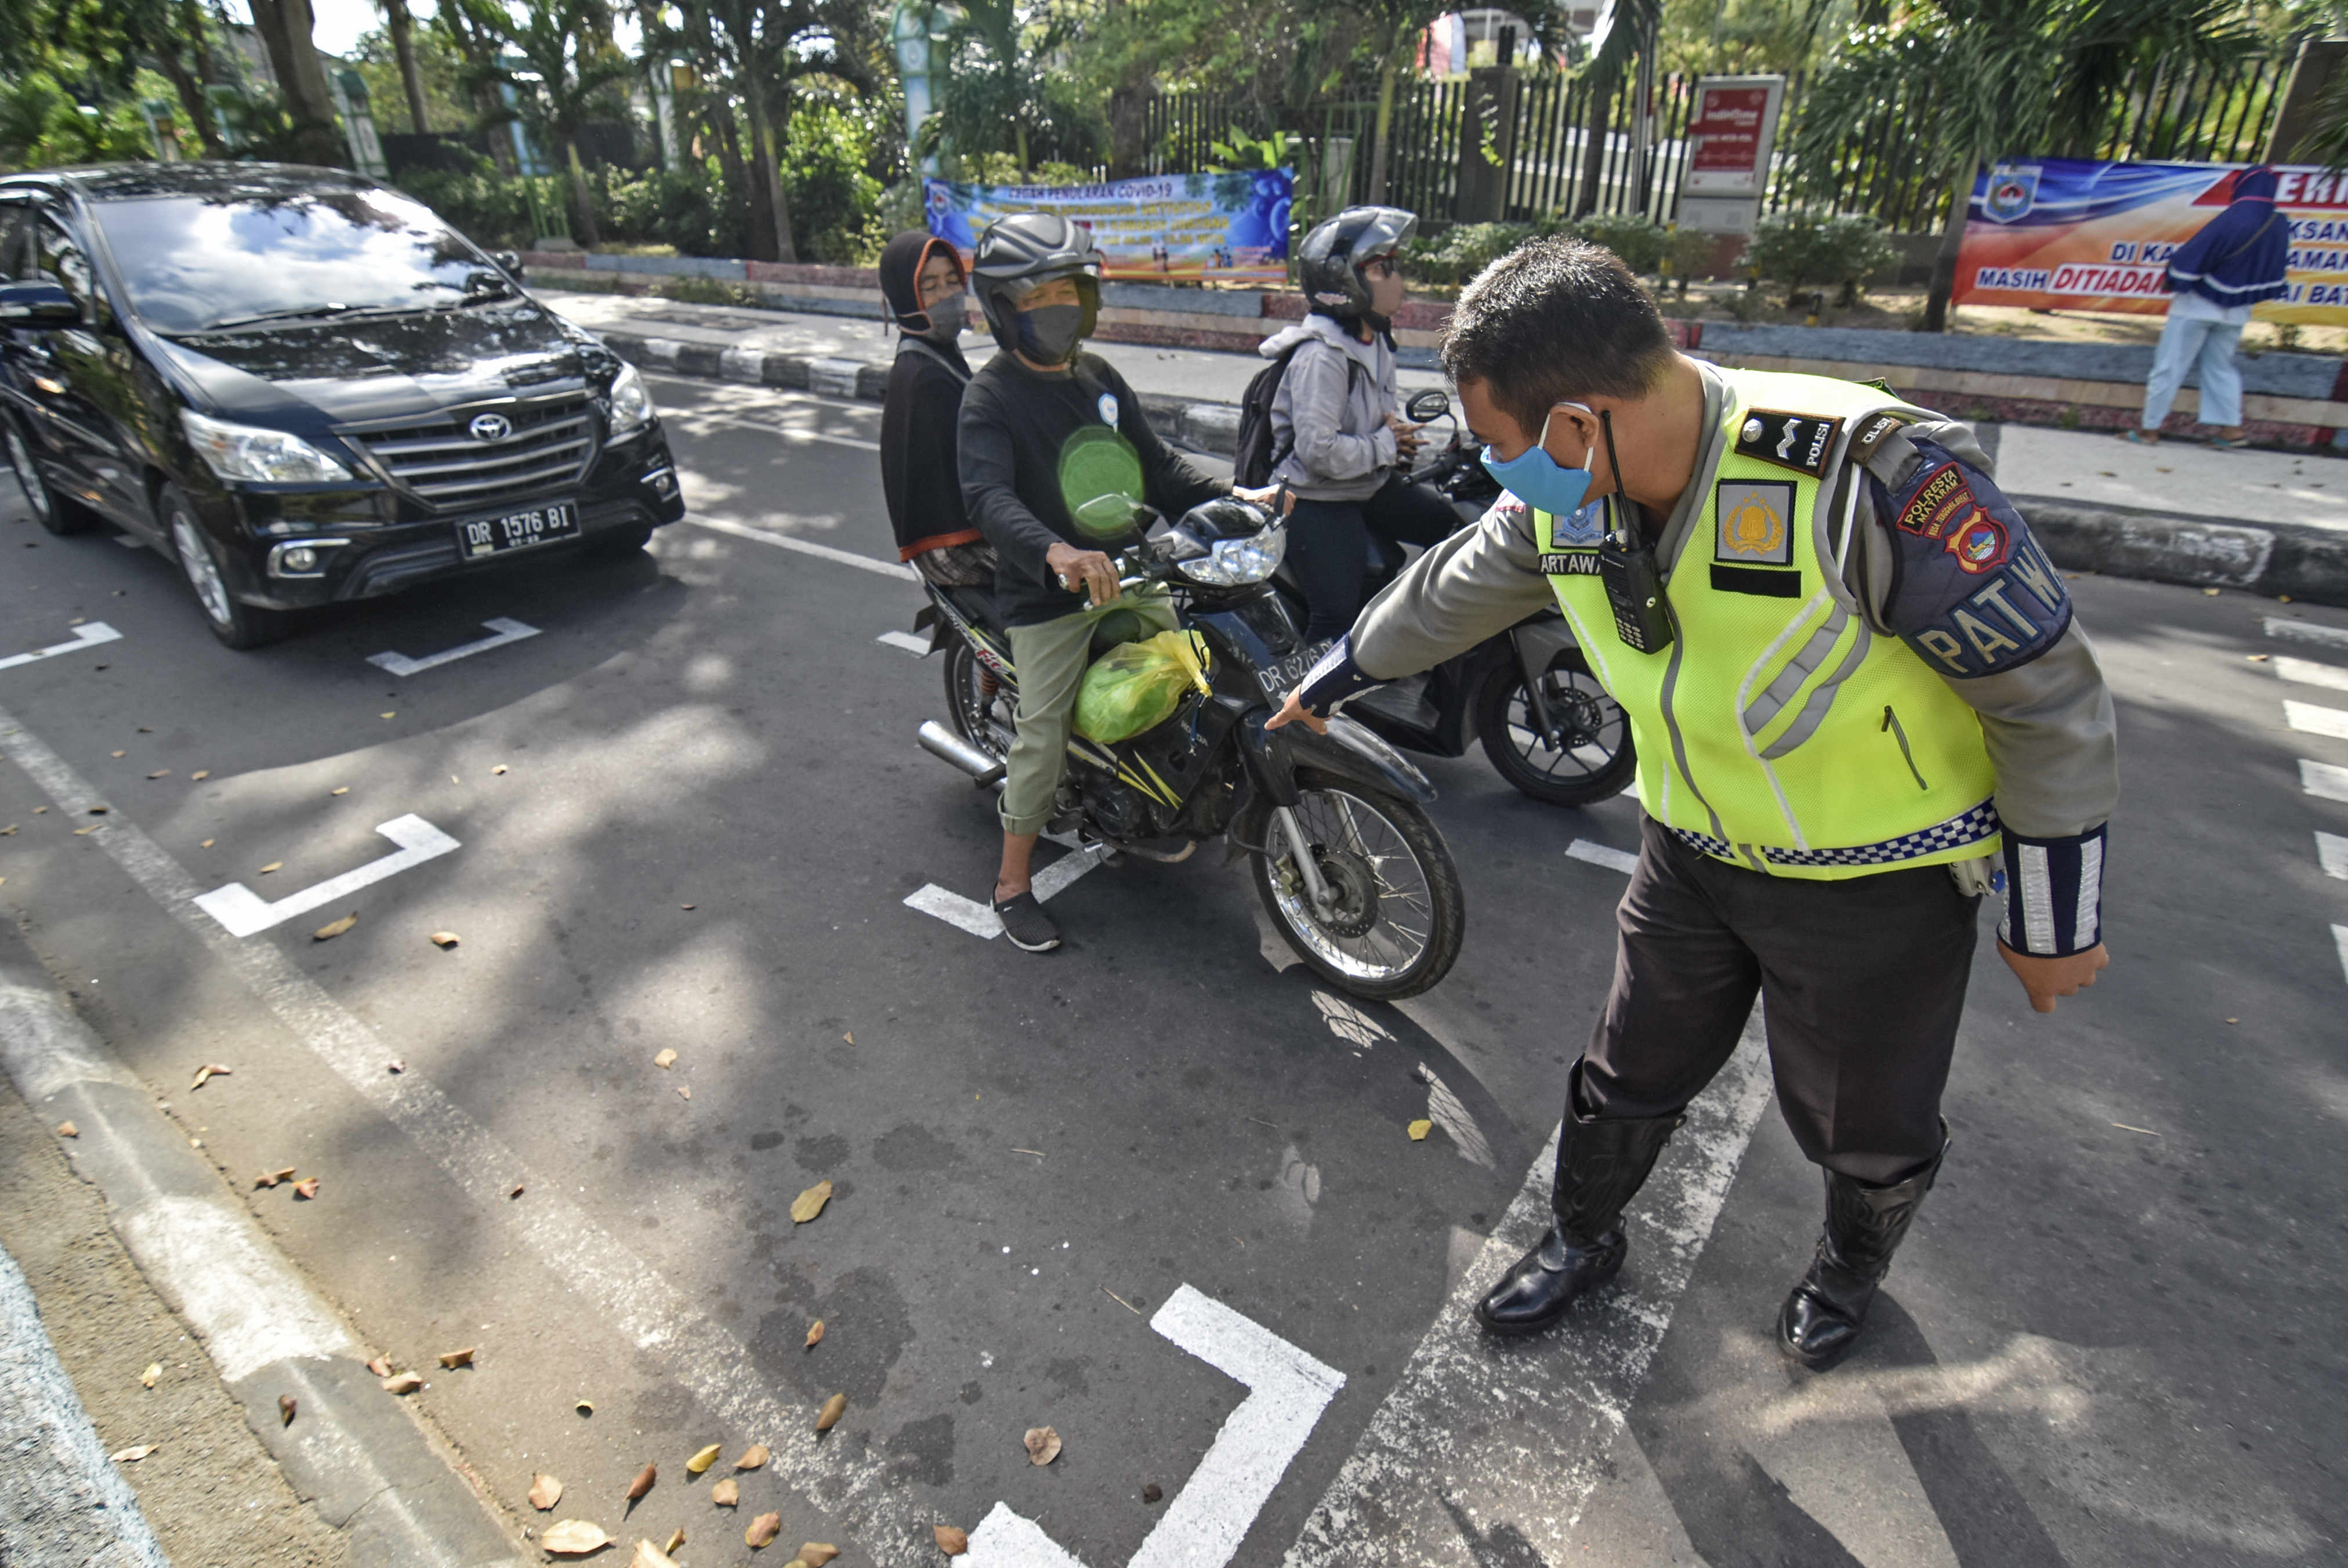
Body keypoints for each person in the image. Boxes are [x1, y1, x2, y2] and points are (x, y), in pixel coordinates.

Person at [1271, 237, 2117, 1369]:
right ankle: (1580, 1237)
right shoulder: (1569, 493)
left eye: (1499, 446)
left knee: (1863, 1122)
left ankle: (1846, 1270)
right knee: (1627, 1070)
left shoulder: (1865, 479)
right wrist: (1333, 677)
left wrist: (2051, 921)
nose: (1495, 470)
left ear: (1577, 424)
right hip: (1687, 853)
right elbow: (1457, 580)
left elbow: (2045, 694)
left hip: (1874, 886)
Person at [958, 212, 1277, 953]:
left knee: (1204, 670)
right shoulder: (990, 397)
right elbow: (988, 499)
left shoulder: (1099, 378)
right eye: (1035, 300)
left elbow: (1159, 468)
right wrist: (1056, 553)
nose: (1056, 310)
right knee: (1041, 733)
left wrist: (1232, 499)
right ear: (1004, 310)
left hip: (1131, 572)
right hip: (1047, 600)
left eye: (1065, 293)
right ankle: (1010, 882)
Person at [1260, 205, 1461, 645]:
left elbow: (1378, 423)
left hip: (1365, 483)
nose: (1398, 280)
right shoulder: (1323, 357)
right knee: (1336, 619)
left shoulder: (1374, 341)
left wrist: (1393, 436)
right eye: (1382, 269)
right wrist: (1386, 444)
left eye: (1395, 267)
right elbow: (1318, 451)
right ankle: (1312, 706)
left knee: (1453, 531)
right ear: (1345, 283)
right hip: (1314, 496)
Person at [2131, 164, 2290, 449]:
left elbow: (2194, 255)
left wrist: (2174, 277)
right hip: (2239, 309)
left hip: (2197, 306)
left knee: (2169, 367)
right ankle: (2231, 430)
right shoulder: (2279, 223)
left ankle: (2149, 430)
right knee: (2221, 368)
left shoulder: (2235, 217)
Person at [878, 229, 995, 585]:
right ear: (905, 295)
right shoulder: (925, 379)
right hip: (952, 549)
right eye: (930, 286)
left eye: (952, 281)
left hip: (966, 532)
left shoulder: (936, 356)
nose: (947, 295)